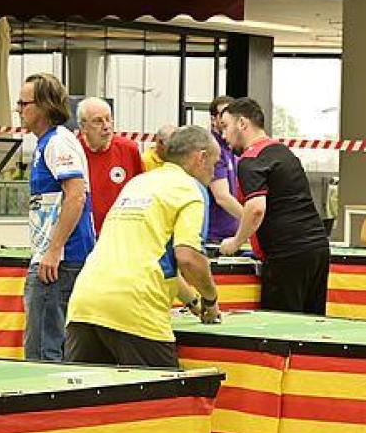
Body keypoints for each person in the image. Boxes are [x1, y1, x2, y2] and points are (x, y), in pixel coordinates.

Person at [65, 126, 224, 368]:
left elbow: (153, 257)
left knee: (89, 404)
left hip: (85, 303)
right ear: (200, 157)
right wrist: (211, 300)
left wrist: (192, 302)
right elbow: (188, 257)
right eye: (214, 163)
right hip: (136, 309)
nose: (214, 173)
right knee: (162, 402)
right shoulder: (191, 189)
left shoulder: (138, 183)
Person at [218, 97, 332, 313]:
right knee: (311, 327)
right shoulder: (284, 152)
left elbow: (256, 209)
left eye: (226, 127)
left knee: (282, 328)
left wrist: (235, 242)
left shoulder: (251, 159)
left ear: (242, 123)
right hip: (317, 248)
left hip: (287, 254)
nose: (224, 136)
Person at [17, 72, 95, 362]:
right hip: (57, 256)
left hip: (60, 260)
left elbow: (76, 196)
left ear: (44, 106)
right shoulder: (47, 142)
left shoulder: (58, 143)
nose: (19, 110)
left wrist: (53, 249)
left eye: (24, 104)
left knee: (42, 351)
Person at [76, 97, 145, 234]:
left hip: (120, 236)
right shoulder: (74, 151)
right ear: (83, 127)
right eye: (98, 121)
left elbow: (141, 192)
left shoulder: (129, 149)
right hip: (85, 236)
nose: (106, 126)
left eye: (108, 119)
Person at [204, 97, 245, 247]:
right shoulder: (213, 149)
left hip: (230, 234)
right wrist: (251, 222)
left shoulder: (231, 148)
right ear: (213, 119)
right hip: (214, 237)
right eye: (224, 114)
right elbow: (222, 197)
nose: (229, 118)